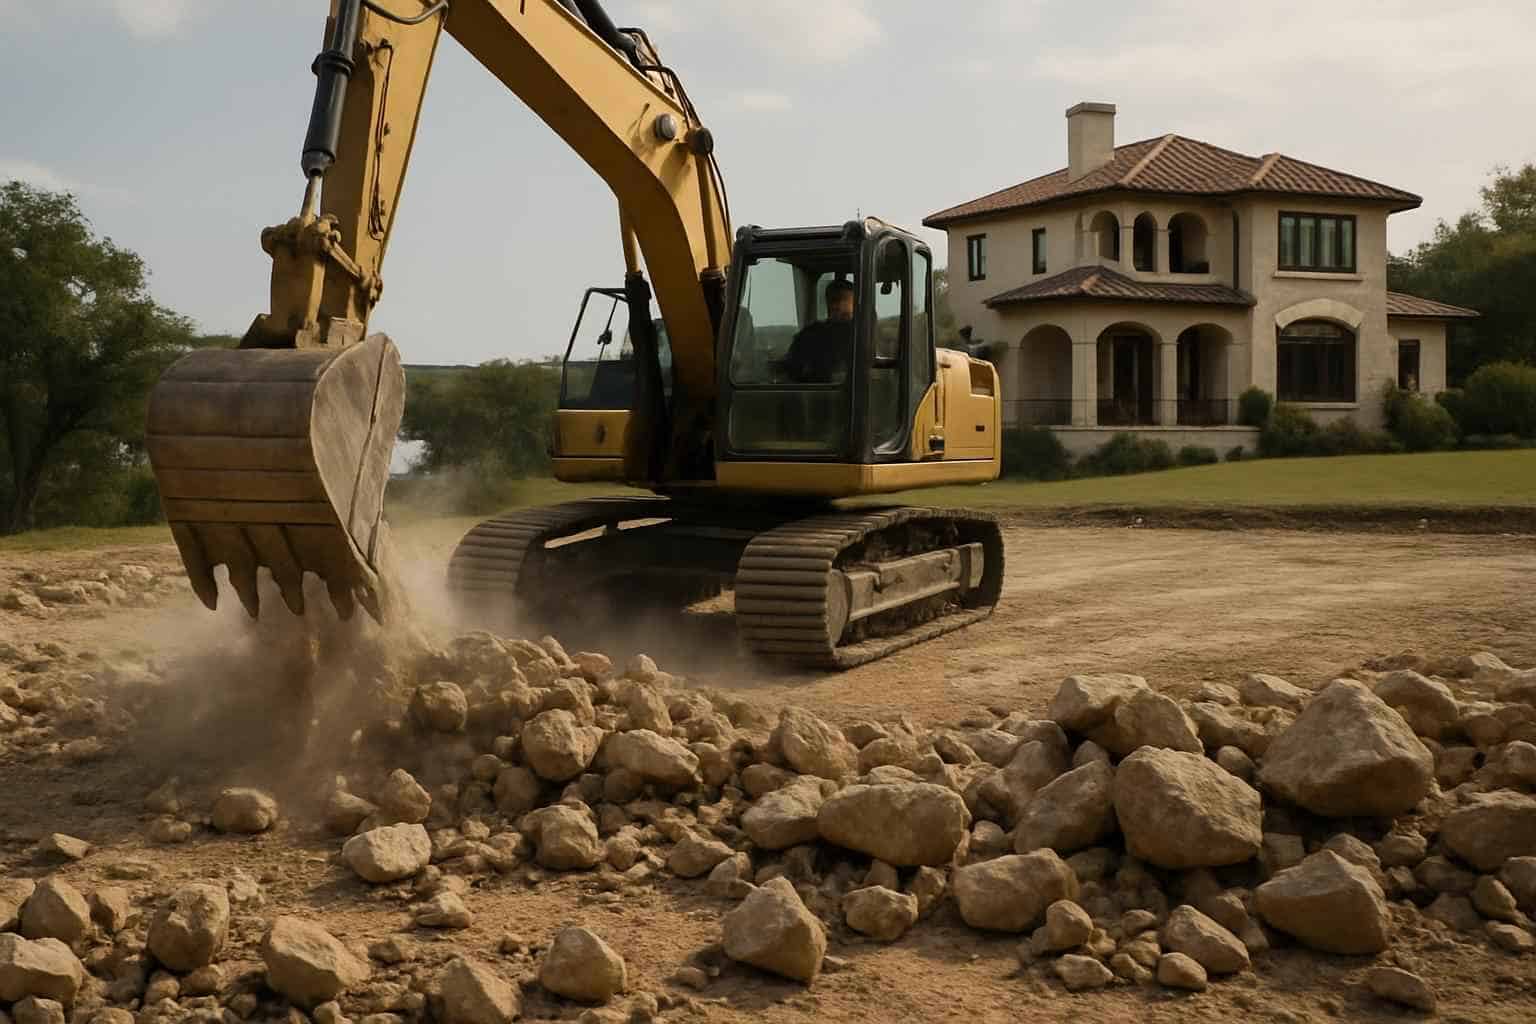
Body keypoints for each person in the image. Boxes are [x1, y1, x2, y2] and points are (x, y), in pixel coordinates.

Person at [783, 278, 855, 383]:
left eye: (843, 300)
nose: (838, 305)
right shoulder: (809, 336)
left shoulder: (862, 335)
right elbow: (792, 372)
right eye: (834, 300)